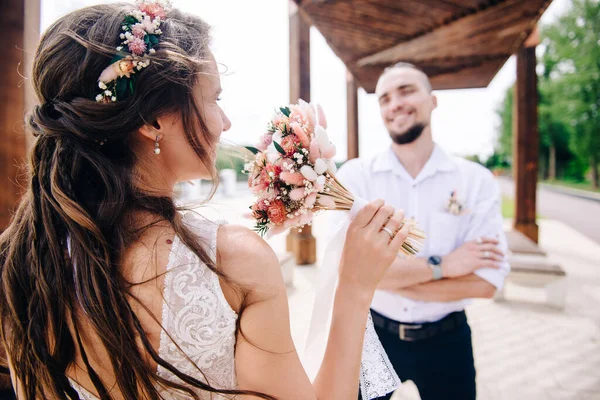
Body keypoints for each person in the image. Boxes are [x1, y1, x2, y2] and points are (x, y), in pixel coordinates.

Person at [0, 2, 411, 399]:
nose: (225, 122)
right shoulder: (231, 262)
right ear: (153, 119)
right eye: (214, 98)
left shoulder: (19, 262)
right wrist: (355, 288)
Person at [336, 62, 510, 400]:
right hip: (373, 338)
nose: (394, 104)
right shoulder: (357, 178)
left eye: (406, 91)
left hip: (448, 340)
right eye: (384, 98)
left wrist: (383, 279)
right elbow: (348, 274)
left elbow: (487, 282)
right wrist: (443, 267)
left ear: (433, 101)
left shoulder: (475, 180)